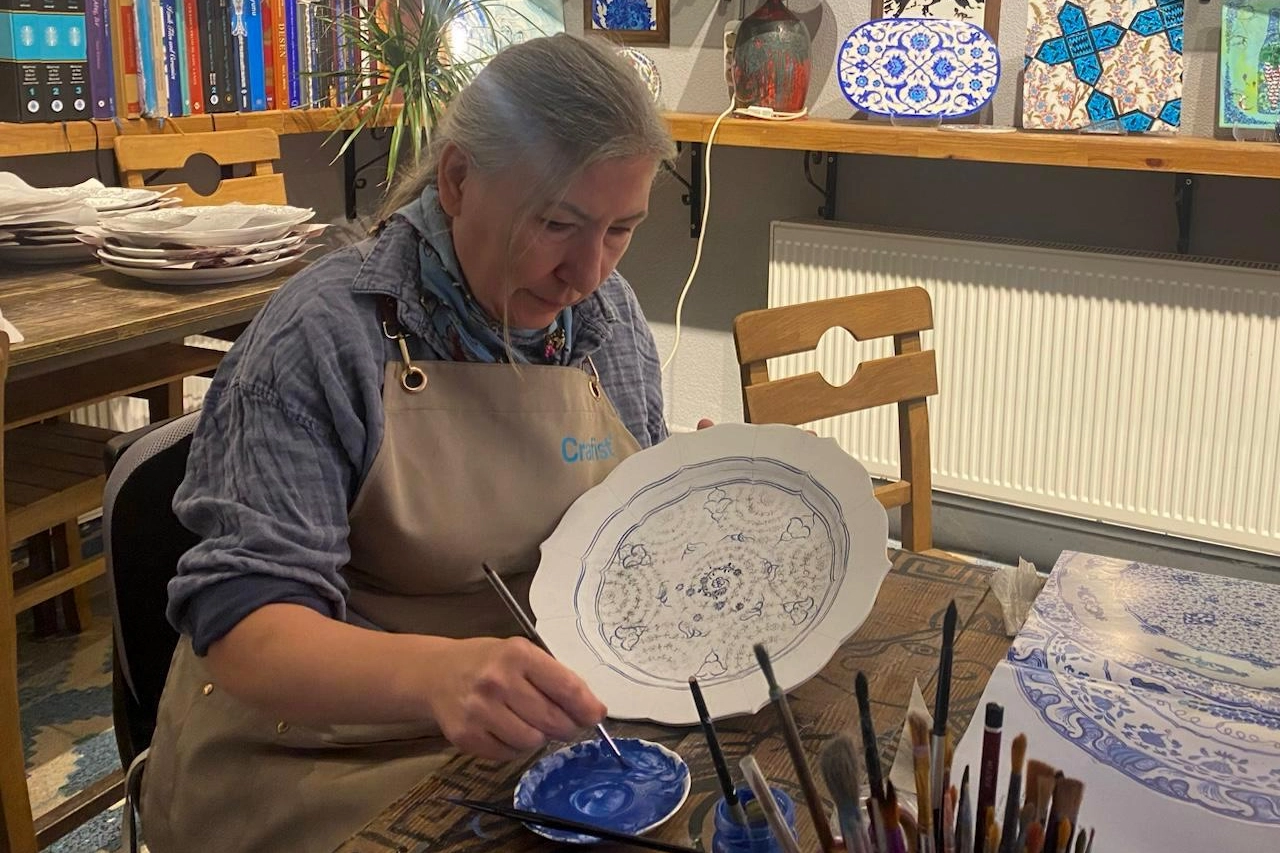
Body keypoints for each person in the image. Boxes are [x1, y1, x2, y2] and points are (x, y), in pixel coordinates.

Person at [139, 33, 677, 852]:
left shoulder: (607, 322)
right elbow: (244, 628)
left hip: (531, 730)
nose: (587, 272)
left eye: (621, 230)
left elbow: (618, 547)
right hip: (316, 752)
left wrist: (683, 502)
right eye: (557, 223)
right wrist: (439, 675)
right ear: (457, 180)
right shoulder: (324, 336)